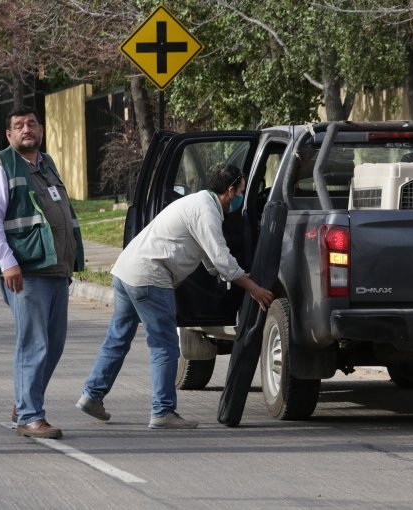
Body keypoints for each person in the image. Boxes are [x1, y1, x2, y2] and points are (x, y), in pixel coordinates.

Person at [76, 163, 274, 429]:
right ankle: (162, 411)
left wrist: (227, 275)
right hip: (150, 277)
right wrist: (254, 288)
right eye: (240, 191)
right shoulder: (207, 212)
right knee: (165, 346)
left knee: (118, 338)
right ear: (230, 191)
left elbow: (210, 258)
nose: (241, 197)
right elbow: (221, 259)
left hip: (126, 270)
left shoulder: (198, 203)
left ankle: (92, 395)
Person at [0, 106, 84, 439]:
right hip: (25, 270)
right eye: (19, 126)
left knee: (53, 344)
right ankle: (29, 415)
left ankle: (25, 400)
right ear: (8, 135)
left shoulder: (47, 165)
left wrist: (69, 263)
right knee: (34, 343)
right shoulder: (1, 168)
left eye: (32, 124)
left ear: (40, 129)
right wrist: (6, 262)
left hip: (55, 268)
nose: (27, 129)